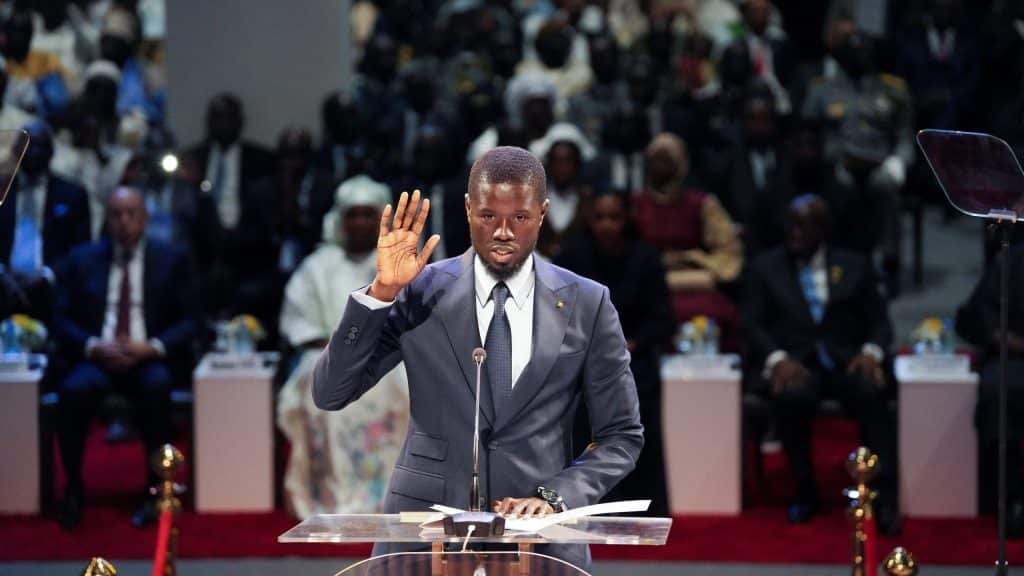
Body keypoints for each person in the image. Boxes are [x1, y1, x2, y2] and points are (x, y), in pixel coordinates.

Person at [312, 146, 643, 569]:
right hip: (425, 529)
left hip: (540, 536)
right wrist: (381, 293)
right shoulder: (420, 292)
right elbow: (330, 393)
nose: (503, 232)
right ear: (468, 209)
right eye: (488, 216)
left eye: (519, 217)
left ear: (542, 213)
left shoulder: (588, 303)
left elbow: (621, 436)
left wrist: (557, 496)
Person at [743, 194, 900, 535]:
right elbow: (752, 324)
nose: (794, 233)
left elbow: (881, 323)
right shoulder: (765, 267)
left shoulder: (855, 265)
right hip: (797, 363)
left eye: (803, 226)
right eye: (790, 225)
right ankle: (804, 490)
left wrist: (871, 352)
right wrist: (777, 359)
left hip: (846, 361)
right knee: (791, 397)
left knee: (872, 392)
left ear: (823, 229)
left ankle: (882, 496)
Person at [52, 186, 199, 530]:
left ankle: (153, 489)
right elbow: (59, 319)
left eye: (132, 213)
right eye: (117, 214)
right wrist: (92, 346)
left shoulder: (171, 258)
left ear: (145, 218)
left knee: (157, 388)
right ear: (107, 219)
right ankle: (73, 488)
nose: (124, 222)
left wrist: (153, 347)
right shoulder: (82, 259)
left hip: (146, 356)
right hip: (97, 357)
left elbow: (192, 320)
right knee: (72, 391)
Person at [278, 175, 409, 519]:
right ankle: (334, 497)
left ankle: (393, 496)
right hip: (328, 356)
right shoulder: (317, 267)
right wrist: (345, 353)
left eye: (368, 214)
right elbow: (301, 325)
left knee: (404, 391)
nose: (361, 222)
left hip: (388, 359)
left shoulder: (399, 264)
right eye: (353, 215)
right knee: (326, 392)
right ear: (340, 219)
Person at [554, 189, 674, 514]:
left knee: (640, 441)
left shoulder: (646, 258)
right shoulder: (571, 257)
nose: (607, 225)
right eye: (600, 218)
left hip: (636, 365)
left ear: (627, 220)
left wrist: (628, 346)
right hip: (581, 368)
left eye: (614, 217)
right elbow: (555, 314)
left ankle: (645, 515)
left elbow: (663, 319)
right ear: (589, 220)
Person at [632, 133, 742, 343]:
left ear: (680, 164)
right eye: (655, 160)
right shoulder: (635, 205)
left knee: (721, 315)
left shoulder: (702, 203)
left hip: (693, 280)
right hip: (649, 283)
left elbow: (728, 248)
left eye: (666, 160)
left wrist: (694, 258)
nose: (659, 166)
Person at [955, 246, 1024, 534]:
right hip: (1015, 356)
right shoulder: (1012, 259)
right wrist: (1001, 337)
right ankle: (1009, 497)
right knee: (998, 391)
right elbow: (977, 315)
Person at [0, 122, 90, 323]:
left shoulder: (72, 194)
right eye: (25, 145)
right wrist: (3, 273)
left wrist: (46, 275)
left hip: (52, 290)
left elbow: (82, 250)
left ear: (51, 152)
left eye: (39, 145)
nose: (31, 151)